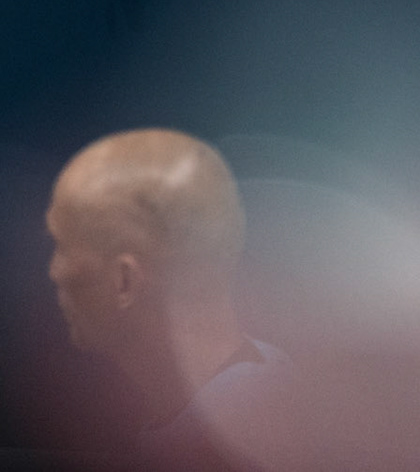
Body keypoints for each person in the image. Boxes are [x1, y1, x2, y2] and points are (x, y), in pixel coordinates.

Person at [46, 129, 285, 471]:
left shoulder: (203, 451)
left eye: (64, 246)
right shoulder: (265, 394)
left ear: (124, 282)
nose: (56, 272)